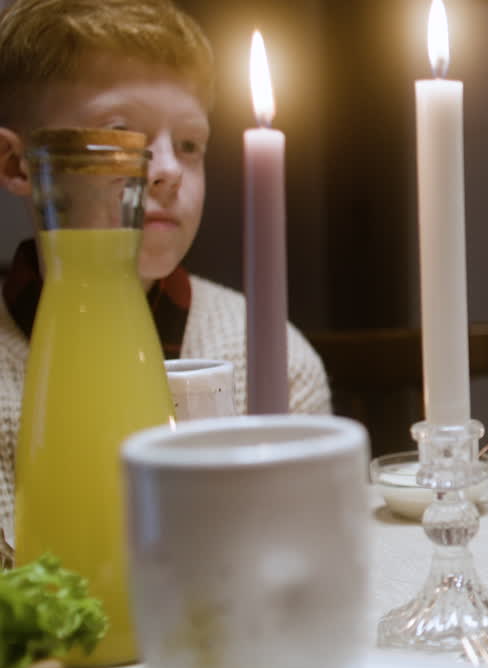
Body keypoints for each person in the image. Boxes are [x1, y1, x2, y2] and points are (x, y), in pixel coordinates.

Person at [0, 0, 331, 541]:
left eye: (189, 145)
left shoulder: (275, 357)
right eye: (122, 137)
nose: (168, 172)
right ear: (18, 165)